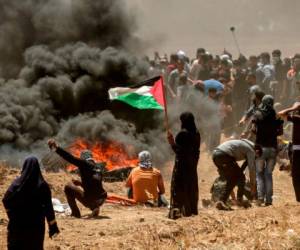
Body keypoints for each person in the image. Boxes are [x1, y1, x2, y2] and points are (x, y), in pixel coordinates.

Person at [2, 156, 59, 250]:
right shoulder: (42, 185)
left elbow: (6, 200)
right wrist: (53, 225)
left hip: (17, 226)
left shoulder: (17, 183)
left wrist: (11, 214)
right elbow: (48, 208)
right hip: (36, 227)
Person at [47, 139, 107, 218]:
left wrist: (56, 148)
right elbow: (94, 183)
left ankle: (76, 213)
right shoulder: (98, 167)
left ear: (83, 158)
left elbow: (70, 158)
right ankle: (95, 207)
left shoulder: (84, 164)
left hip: (91, 199)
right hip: (102, 198)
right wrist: (81, 184)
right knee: (89, 193)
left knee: (68, 187)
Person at [167, 112, 201, 219]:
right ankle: (190, 210)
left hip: (182, 166)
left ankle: (177, 211)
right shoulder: (196, 133)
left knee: (180, 187)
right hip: (192, 166)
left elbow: (180, 151)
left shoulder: (183, 134)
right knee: (190, 187)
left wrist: (172, 142)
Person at [212, 139, 260, 210]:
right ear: (257, 151)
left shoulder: (245, 145)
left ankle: (221, 201)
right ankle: (239, 200)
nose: (254, 159)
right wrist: (252, 185)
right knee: (240, 178)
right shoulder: (251, 151)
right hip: (224, 155)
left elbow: (242, 168)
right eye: (256, 157)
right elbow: (251, 169)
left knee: (231, 179)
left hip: (215, 155)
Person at [252, 95, 283, 206]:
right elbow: (280, 132)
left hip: (260, 148)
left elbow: (253, 129)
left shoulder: (258, 114)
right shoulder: (277, 116)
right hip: (273, 148)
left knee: (259, 174)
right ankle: (269, 200)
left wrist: (261, 132)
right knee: (268, 174)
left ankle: (260, 198)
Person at [278, 102, 300, 201]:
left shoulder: (297, 118)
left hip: (297, 149)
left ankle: (299, 198)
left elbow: (281, 113)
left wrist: (292, 107)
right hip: (296, 148)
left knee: (295, 174)